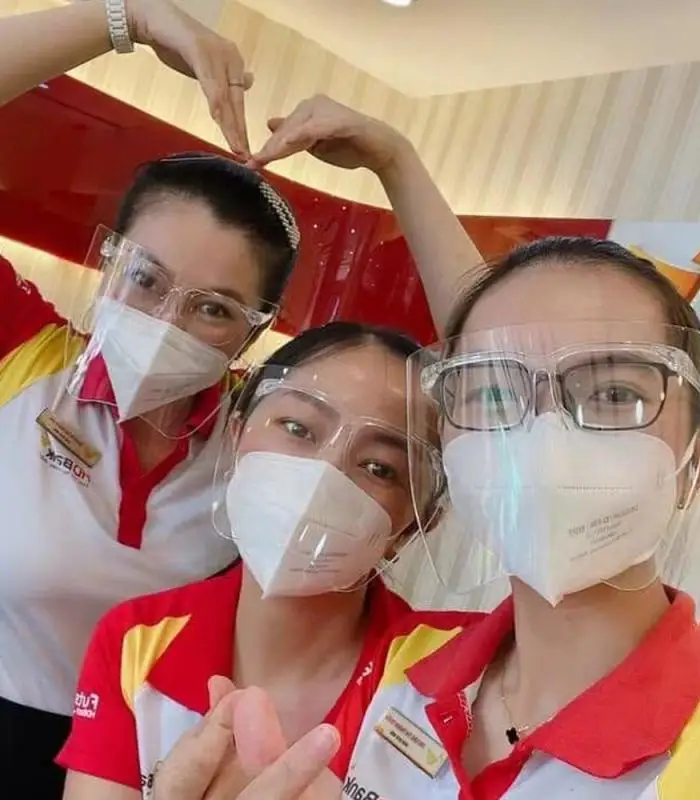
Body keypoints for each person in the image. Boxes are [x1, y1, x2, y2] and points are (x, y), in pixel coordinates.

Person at [0, 2, 483, 792]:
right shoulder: (24, 356)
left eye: (214, 308)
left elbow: (497, 364)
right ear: (108, 261)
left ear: (254, 332)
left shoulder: (270, 435)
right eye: (145, 279)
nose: (167, 321)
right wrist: (126, 16)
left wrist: (396, 162)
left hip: (163, 743)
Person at [339, 236, 700, 800]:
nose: (544, 441)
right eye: (493, 395)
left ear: (698, 460)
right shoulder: (399, 659)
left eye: (613, 393)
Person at [57, 320, 462, 798]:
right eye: (298, 429)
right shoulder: (136, 642)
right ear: (236, 435)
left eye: (379, 468)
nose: (322, 477)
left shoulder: (448, 675)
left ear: (413, 526)